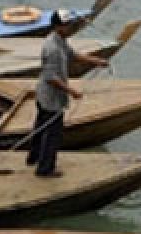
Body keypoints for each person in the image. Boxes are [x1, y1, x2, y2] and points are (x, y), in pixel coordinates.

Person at [27, 9, 109, 177]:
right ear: (57, 26)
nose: (70, 27)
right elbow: (51, 78)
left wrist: (95, 61)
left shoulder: (60, 40)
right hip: (51, 99)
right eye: (66, 25)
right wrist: (72, 91)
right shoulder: (52, 49)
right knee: (52, 134)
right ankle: (45, 169)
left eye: (70, 24)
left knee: (40, 128)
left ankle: (33, 157)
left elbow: (72, 54)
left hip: (45, 96)